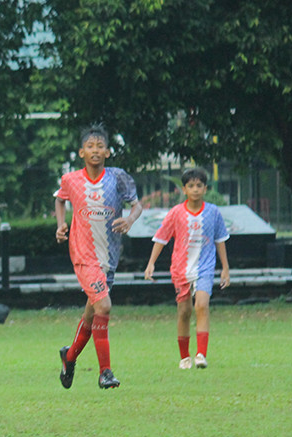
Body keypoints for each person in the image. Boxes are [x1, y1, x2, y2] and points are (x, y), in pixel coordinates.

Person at [54, 124, 143, 390]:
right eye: (90, 146)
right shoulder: (71, 179)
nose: (95, 150)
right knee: (104, 306)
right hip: (84, 256)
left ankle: (69, 357)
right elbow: (60, 199)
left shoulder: (118, 178)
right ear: (82, 152)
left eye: (100, 146)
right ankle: (105, 372)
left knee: (92, 314)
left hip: (109, 257)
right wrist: (61, 225)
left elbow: (137, 205)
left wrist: (130, 219)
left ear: (107, 151)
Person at [144, 166, 230, 369]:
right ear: (184, 189)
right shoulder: (176, 213)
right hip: (181, 270)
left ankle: (201, 354)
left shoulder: (213, 212)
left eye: (199, 185)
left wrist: (225, 268)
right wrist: (151, 263)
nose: (195, 189)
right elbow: (161, 238)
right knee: (184, 311)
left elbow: (220, 240)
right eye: (191, 186)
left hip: (205, 268)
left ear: (205, 188)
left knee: (202, 305)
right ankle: (185, 357)